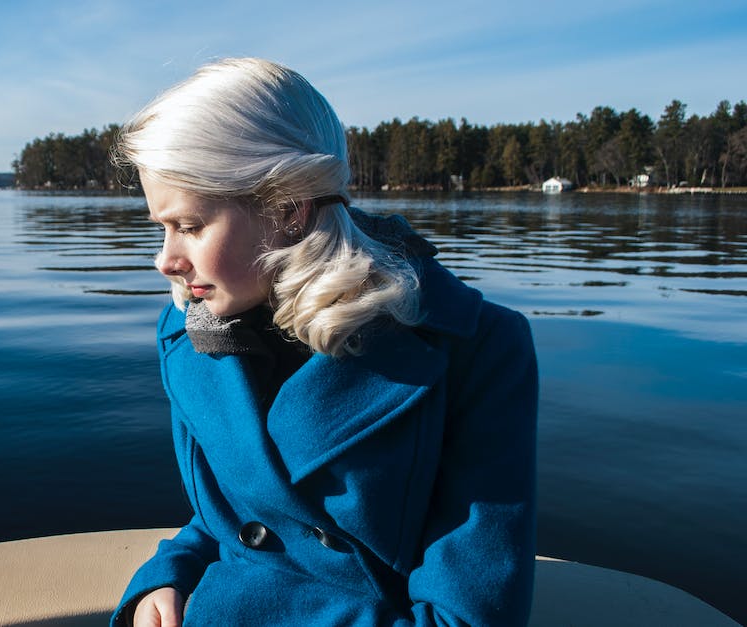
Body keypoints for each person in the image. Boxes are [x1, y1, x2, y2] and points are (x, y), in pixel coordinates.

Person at [110, 58, 538, 626]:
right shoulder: (191, 333)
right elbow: (240, 516)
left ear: (287, 210)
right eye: (160, 227)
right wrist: (174, 572)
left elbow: (470, 613)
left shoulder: (478, 349)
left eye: (188, 226)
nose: (164, 259)